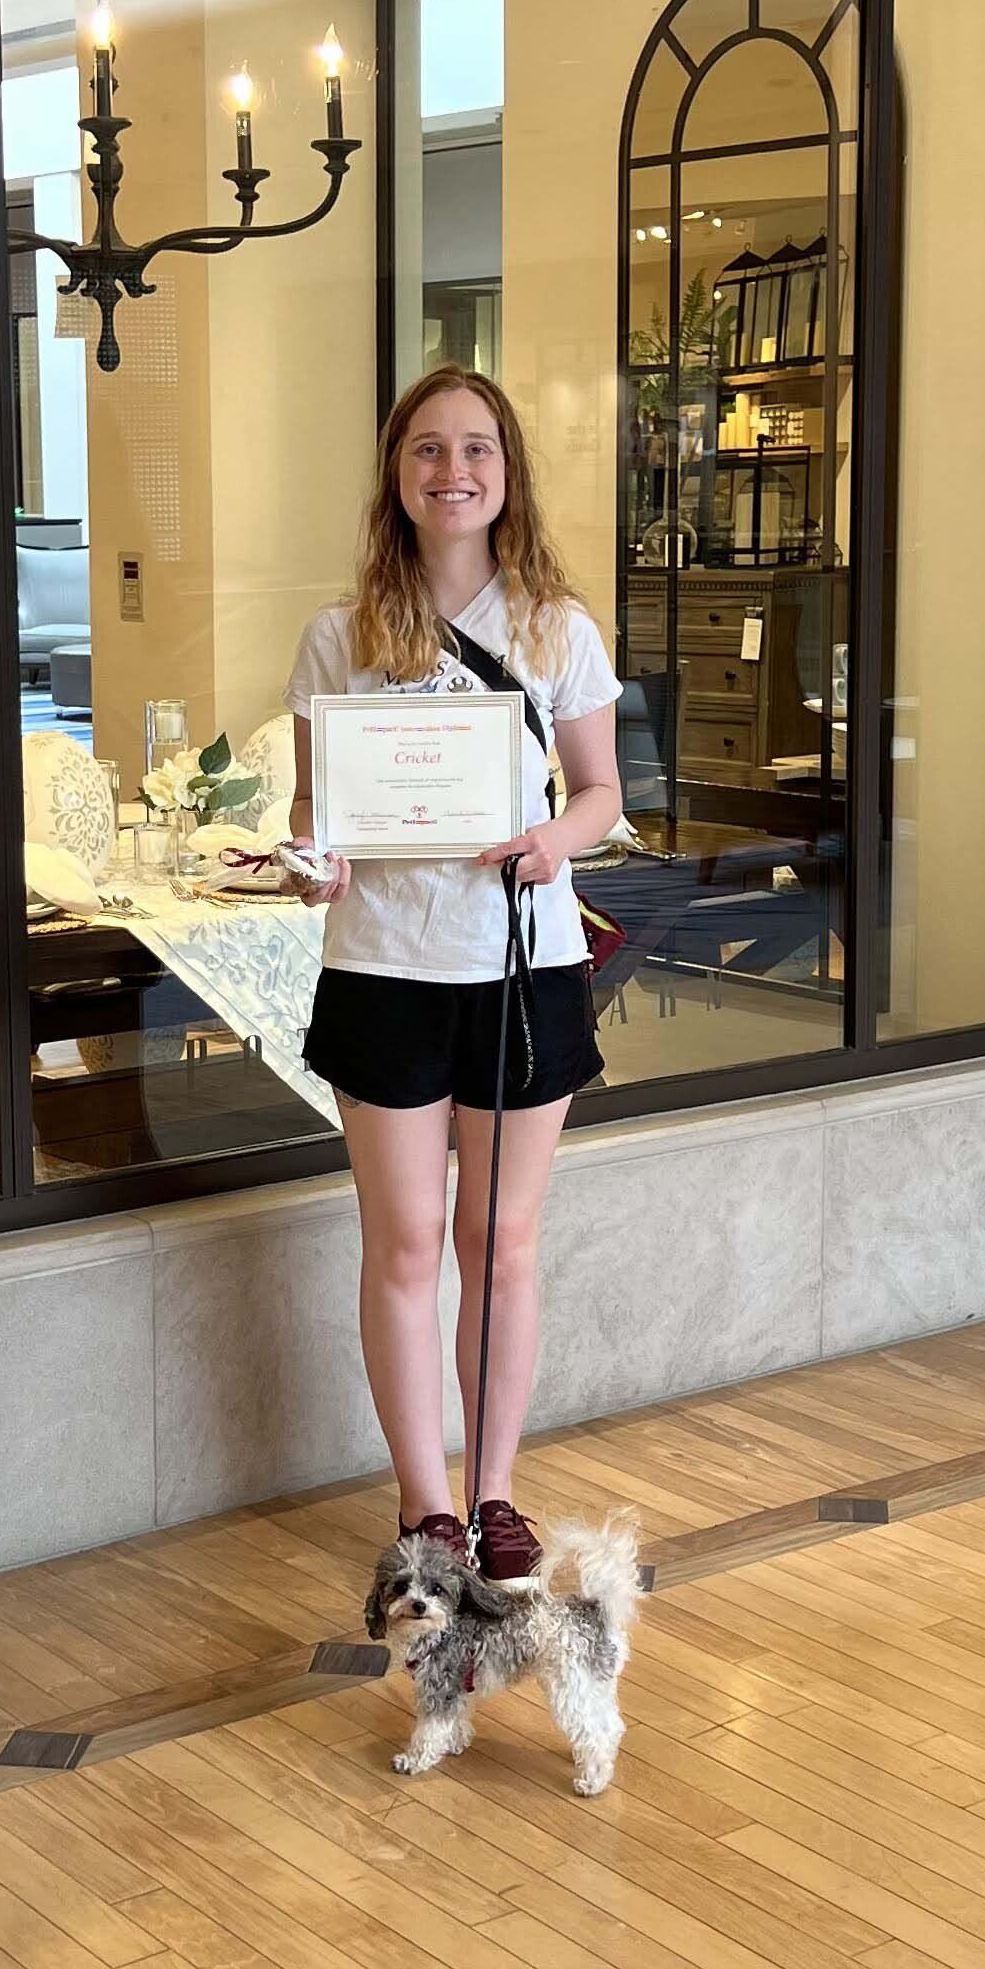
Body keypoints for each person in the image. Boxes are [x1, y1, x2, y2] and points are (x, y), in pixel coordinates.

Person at [285, 368, 622, 1584]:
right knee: (406, 1244)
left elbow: (599, 795)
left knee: (504, 1237)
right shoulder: (340, 633)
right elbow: (315, 813)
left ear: (506, 470)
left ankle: (492, 1494)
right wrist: (311, 865)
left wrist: (553, 842)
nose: (451, 471)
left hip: (518, 967)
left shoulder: (554, 627)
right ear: (396, 473)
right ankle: (423, 1504)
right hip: (381, 964)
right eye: (426, 450)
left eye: (474, 449)